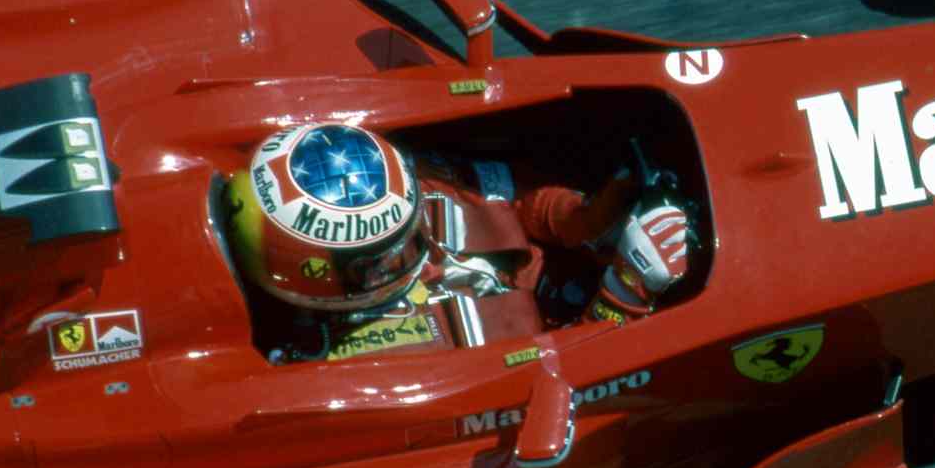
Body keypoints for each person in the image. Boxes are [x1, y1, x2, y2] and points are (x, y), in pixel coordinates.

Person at [223, 122, 693, 362]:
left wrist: (592, 219)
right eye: (386, 259)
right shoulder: (367, 360)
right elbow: (562, 381)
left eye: (410, 230)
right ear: (317, 279)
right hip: (592, 330)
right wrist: (627, 293)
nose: (419, 249)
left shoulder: (393, 184)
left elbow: (515, 197)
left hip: (580, 270)